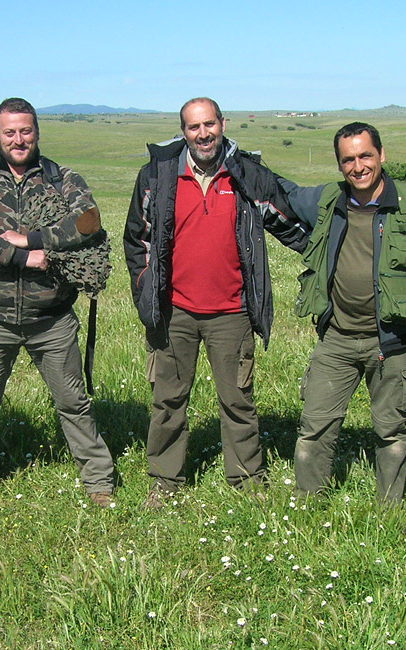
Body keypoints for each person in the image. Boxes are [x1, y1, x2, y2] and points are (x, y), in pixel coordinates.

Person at [124, 97, 307, 507]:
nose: (203, 134)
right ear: (183, 130)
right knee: (167, 400)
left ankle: (247, 479)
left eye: (209, 124)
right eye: (194, 127)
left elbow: (289, 221)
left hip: (232, 311)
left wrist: (331, 252)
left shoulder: (246, 174)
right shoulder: (158, 175)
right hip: (174, 312)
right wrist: (145, 288)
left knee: (237, 399)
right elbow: (137, 238)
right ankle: (165, 480)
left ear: (223, 124)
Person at [0, 98, 116, 509]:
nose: (18, 139)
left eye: (25, 131)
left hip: (51, 318)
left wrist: (32, 239)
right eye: (10, 132)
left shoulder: (61, 179)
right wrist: (19, 257)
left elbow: (89, 220)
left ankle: (99, 482)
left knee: (72, 402)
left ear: (36, 132)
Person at [279, 123, 406, 500]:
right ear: (339, 165)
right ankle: (307, 505)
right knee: (315, 424)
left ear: (381, 155)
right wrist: (236, 160)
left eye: (365, 155)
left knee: (391, 429)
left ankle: (389, 512)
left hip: (393, 339)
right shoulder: (328, 201)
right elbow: (281, 192)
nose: (358, 166)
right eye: (348, 159)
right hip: (337, 337)